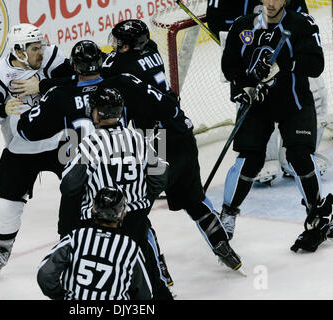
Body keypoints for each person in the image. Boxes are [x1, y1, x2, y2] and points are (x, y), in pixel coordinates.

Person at [14, 39, 243, 273]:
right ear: (100, 62)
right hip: (122, 168)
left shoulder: (58, 95)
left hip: (82, 176)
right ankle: (163, 270)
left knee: (74, 235)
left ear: (74, 66)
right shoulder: (122, 83)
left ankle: (80, 281)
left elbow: (25, 131)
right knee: (139, 223)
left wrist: (36, 97)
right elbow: (168, 104)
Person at [101, 19, 243, 275]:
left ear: (130, 47)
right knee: (195, 199)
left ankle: (157, 269)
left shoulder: (122, 65)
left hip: (157, 142)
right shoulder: (152, 48)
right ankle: (221, 243)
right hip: (182, 131)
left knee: (136, 208)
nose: (116, 47)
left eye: (120, 44)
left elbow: (99, 74)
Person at [219, 0, 333, 251]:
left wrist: (284, 64)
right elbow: (230, 67)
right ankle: (228, 214)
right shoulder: (243, 26)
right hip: (258, 105)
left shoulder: (302, 24)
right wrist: (242, 88)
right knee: (249, 159)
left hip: (294, 102)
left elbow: (316, 65)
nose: (271, 3)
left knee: (299, 155)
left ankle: (317, 213)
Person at [0, 23, 67, 278]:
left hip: (63, 140)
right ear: (19, 51)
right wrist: (2, 109)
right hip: (21, 147)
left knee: (85, 189)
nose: (41, 53)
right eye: (34, 49)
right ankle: (2, 250)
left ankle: (78, 245)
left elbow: (79, 82)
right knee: (4, 208)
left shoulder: (52, 57)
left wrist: (42, 86)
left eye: (41, 46)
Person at [59, 87, 172, 299]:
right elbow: (161, 174)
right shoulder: (138, 138)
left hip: (98, 225)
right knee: (149, 279)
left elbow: (69, 186)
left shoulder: (89, 144)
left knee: (101, 283)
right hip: (135, 220)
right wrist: (143, 201)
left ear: (96, 113)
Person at [207, 0, 330, 185]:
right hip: (252, 51)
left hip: (286, 53)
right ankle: (264, 158)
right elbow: (217, 21)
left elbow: (299, 14)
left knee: (317, 92)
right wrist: (243, 36)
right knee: (257, 97)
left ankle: (296, 153)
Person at [37, 187, 153, 300]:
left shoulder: (76, 237)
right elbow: (145, 293)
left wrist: (62, 296)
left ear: (93, 209)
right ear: (122, 214)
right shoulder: (129, 247)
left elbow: (45, 273)